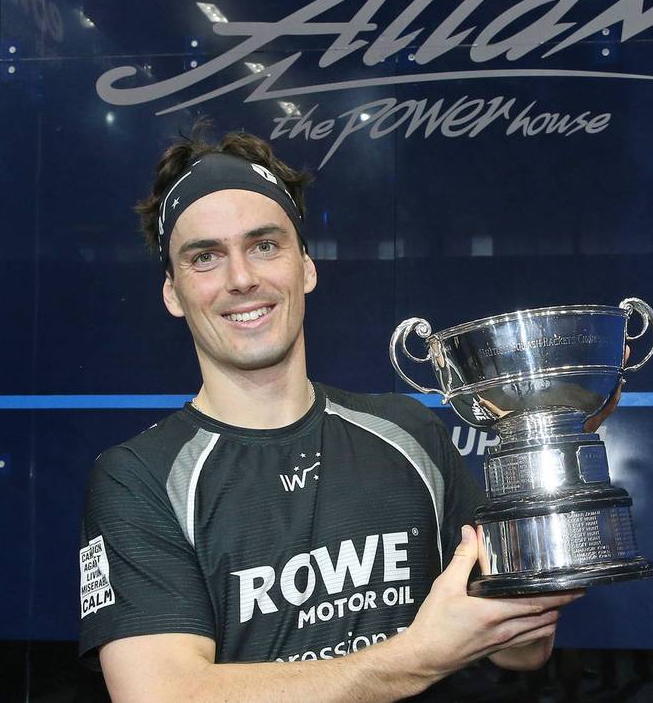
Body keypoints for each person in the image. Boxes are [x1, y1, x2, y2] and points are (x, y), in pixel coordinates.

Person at [77, 129, 606, 702]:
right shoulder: (140, 478)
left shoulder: (409, 433)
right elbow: (163, 695)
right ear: (173, 293)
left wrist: (548, 462)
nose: (241, 278)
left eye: (264, 245)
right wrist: (416, 658)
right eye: (205, 257)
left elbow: (522, 650)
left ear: (306, 266)